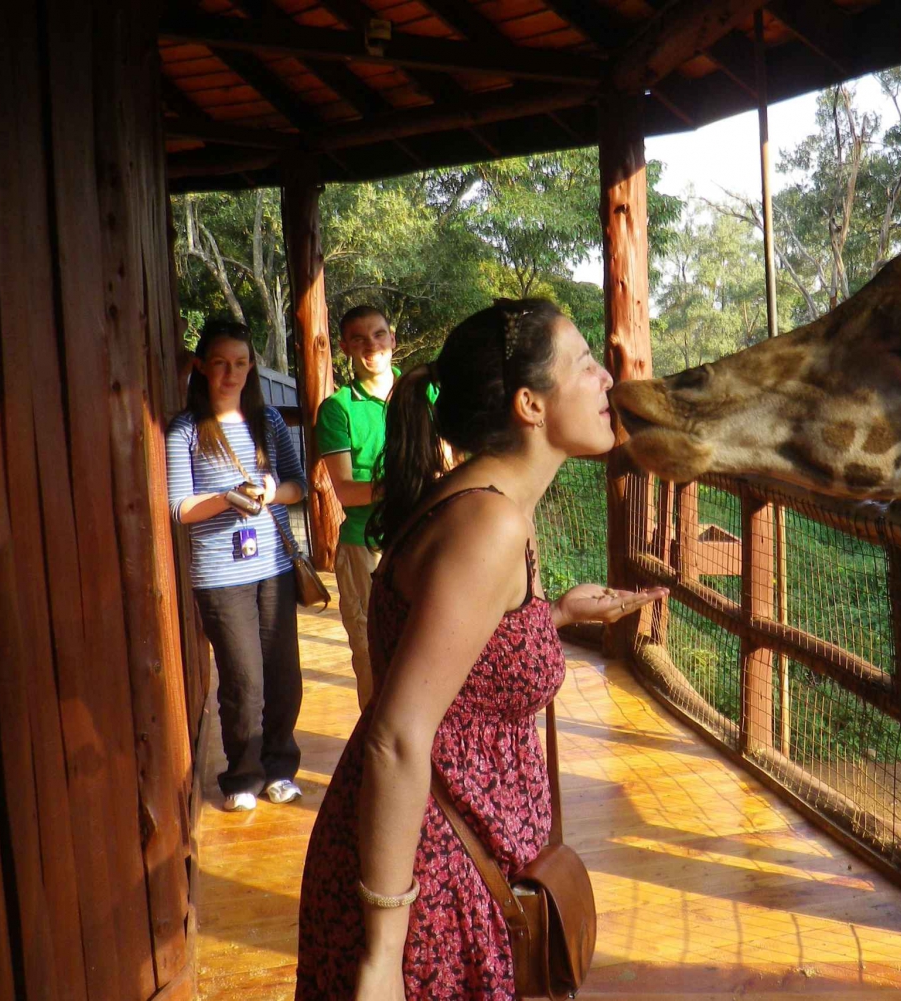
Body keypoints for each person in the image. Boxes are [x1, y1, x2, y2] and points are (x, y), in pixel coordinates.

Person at [295, 299, 667, 1000]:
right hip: (432, 880)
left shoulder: (491, 506)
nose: (608, 381)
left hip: (456, 860)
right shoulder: (488, 523)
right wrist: (383, 954)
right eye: (586, 364)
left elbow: (458, 659)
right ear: (530, 403)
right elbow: (397, 736)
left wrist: (551, 615)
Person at [167, 319, 309, 813]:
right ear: (203, 367)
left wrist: (271, 491)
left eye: (241, 363)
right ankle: (242, 775)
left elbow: (299, 486)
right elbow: (179, 507)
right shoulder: (185, 428)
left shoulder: (266, 420)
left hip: (273, 566)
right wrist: (227, 499)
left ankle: (279, 768)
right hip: (219, 575)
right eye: (221, 363)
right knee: (243, 679)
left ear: (251, 367)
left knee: (283, 675)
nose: (231, 373)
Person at [316, 305, 399, 710]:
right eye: (360, 338)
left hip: (423, 538)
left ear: (393, 340)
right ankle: (372, 759)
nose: (372, 345)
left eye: (379, 334)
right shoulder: (338, 409)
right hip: (365, 545)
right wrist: (408, 482)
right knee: (371, 654)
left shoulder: (424, 394)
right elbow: (347, 492)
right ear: (346, 347)